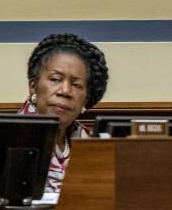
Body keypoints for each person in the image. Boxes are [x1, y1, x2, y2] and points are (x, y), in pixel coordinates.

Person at [20, 33, 109, 193]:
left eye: (76, 85)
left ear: (85, 100)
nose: (65, 91)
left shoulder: (87, 143)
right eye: (55, 79)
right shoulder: (10, 137)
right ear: (33, 86)